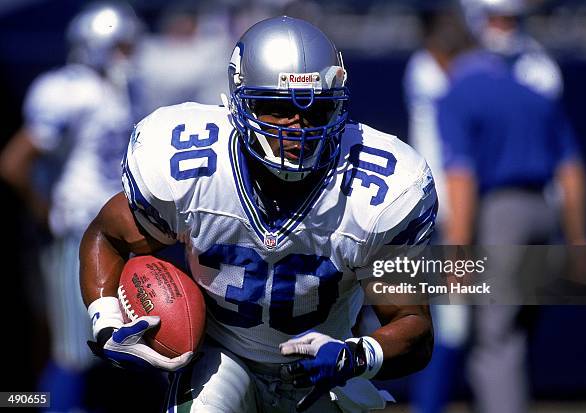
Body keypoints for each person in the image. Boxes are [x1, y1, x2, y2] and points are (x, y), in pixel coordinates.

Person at [80, 16, 437, 412]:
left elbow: (413, 323)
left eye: (317, 109)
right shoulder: (189, 166)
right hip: (222, 356)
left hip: (323, 363)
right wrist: (107, 319)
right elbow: (107, 236)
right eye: (277, 107)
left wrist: (355, 356)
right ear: (240, 101)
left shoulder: (380, 189)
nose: (297, 126)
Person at [0, 2, 143, 412]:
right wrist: (44, 210)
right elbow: (14, 162)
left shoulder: (121, 89)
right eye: (120, 46)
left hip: (117, 235)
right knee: (74, 351)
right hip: (81, 234)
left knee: (109, 350)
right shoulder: (68, 90)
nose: (128, 57)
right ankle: (31, 406)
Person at [437, 29, 586, 413]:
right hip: (543, 214)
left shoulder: (458, 92)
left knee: (495, 340)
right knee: (517, 334)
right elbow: (571, 171)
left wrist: (457, 252)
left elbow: (462, 178)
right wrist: (577, 241)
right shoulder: (533, 94)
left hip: (501, 218)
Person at [402, 5, 472, 413]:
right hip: (438, 213)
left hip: (450, 209)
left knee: (457, 324)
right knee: (451, 323)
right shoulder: (425, 68)